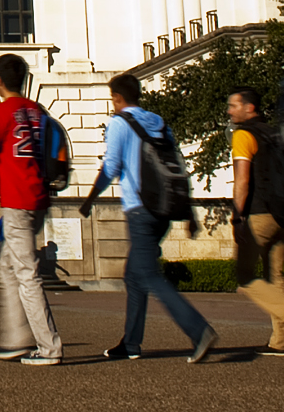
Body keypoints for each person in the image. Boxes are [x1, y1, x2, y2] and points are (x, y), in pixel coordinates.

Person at [80, 72, 215, 363]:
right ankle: (130, 343)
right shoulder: (159, 122)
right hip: (165, 208)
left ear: (117, 97)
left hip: (140, 208)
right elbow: (176, 165)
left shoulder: (119, 123)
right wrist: (188, 210)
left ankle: (199, 329)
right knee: (134, 275)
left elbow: (112, 165)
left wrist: (91, 198)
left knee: (149, 274)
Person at [0, 54, 67, 366]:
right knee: (8, 266)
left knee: (26, 275)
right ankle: (16, 337)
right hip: (39, 198)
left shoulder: (2, 113)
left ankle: (48, 347)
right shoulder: (37, 110)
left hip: (18, 200)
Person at [227, 87, 284, 355]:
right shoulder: (275, 133)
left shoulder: (243, 135)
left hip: (260, 213)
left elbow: (242, 180)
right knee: (275, 275)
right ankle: (281, 342)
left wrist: (237, 215)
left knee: (245, 275)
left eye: (233, 106)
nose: (229, 111)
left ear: (249, 107)